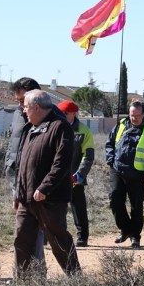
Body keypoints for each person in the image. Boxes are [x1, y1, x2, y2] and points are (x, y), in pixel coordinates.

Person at [13, 90, 80, 275]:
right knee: (22, 241)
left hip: (50, 198)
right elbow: (22, 164)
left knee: (59, 241)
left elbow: (62, 162)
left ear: (36, 107)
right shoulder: (29, 128)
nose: (23, 110)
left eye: (26, 106)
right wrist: (18, 193)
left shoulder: (59, 127)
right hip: (26, 198)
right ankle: (23, 284)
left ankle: (76, 279)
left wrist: (45, 187)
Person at [105, 100, 144, 249]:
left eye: (137, 115)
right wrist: (111, 160)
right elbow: (110, 143)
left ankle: (135, 236)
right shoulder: (121, 125)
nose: (134, 118)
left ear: (143, 114)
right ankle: (125, 230)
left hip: (139, 174)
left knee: (136, 206)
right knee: (115, 199)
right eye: (131, 115)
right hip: (118, 170)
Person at [4, 77, 46, 266]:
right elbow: (13, 142)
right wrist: (8, 163)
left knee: (33, 228)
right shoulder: (17, 114)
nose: (21, 106)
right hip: (16, 176)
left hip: (34, 179)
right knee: (23, 230)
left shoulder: (44, 118)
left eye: (23, 101)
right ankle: (28, 273)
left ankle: (35, 273)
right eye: (18, 101)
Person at [58, 100, 95, 247]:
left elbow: (88, 156)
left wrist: (80, 174)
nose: (61, 115)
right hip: (57, 176)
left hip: (75, 177)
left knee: (78, 207)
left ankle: (82, 237)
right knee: (57, 208)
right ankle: (60, 236)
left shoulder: (84, 131)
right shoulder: (55, 127)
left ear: (73, 113)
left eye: (64, 113)